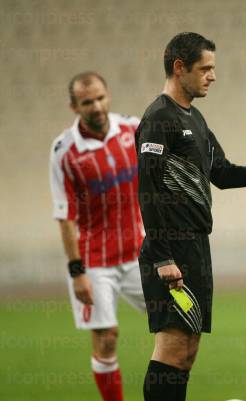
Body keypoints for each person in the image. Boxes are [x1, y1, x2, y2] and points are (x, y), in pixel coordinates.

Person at [136, 32, 246, 401]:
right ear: (179, 68)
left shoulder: (194, 119)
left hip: (195, 245)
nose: (212, 76)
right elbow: (147, 191)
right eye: (205, 68)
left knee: (187, 350)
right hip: (170, 248)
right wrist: (162, 256)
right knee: (172, 346)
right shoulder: (158, 118)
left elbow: (222, 173)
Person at [49, 71, 145, 401]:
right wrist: (77, 272)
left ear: (109, 96)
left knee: (180, 322)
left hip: (139, 254)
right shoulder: (65, 152)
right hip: (94, 261)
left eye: (101, 98)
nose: (97, 106)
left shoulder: (133, 130)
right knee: (106, 338)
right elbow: (65, 217)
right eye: (87, 102)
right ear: (74, 106)